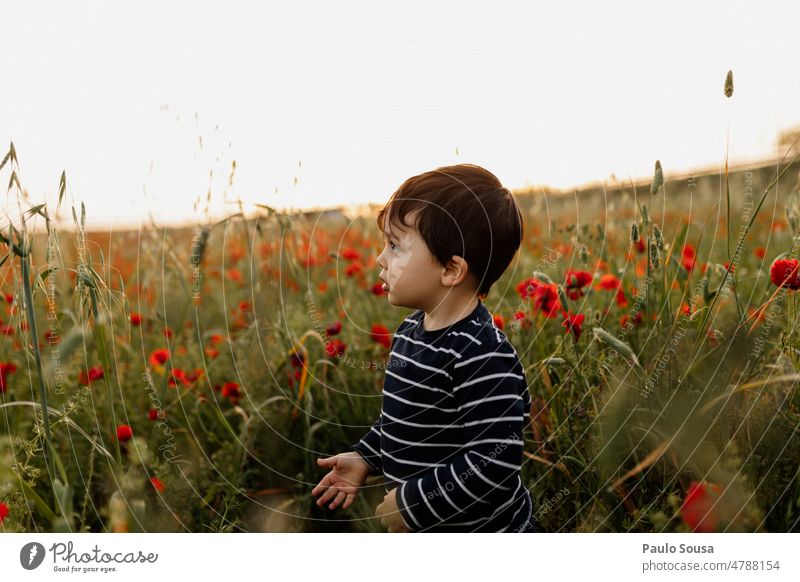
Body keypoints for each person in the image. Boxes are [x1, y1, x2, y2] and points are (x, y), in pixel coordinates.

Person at [311, 164, 535, 532]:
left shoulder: (481, 355)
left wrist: (414, 503)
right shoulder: (411, 332)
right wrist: (366, 457)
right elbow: (408, 421)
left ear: (450, 270)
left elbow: (494, 462)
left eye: (395, 246)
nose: (381, 258)